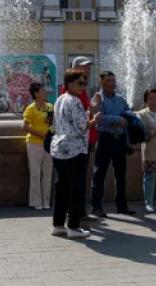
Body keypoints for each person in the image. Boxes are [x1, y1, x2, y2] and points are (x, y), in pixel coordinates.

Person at [51, 69, 99, 239]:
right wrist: (94, 119)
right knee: (76, 189)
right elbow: (82, 126)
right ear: (70, 83)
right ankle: (73, 227)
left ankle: (58, 225)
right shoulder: (75, 101)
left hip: (59, 149)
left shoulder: (59, 99)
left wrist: (89, 111)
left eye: (84, 83)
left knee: (62, 188)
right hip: (75, 150)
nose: (82, 87)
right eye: (80, 83)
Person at [90, 70, 135, 217]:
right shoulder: (97, 98)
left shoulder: (120, 99)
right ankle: (96, 207)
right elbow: (99, 117)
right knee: (99, 173)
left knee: (121, 174)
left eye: (113, 81)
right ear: (101, 83)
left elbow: (128, 114)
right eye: (108, 81)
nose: (112, 84)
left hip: (120, 139)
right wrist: (118, 120)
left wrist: (130, 118)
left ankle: (122, 205)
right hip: (105, 138)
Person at [64, 56, 97, 220]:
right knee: (76, 177)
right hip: (77, 140)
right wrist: (93, 115)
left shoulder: (82, 88)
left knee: (81, 176)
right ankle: (74, 211)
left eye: (89, 67)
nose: (88, 69)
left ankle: (78, 210)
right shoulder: (71, 90)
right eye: (84, 66)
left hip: (86, 138)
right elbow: (76, 118)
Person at [22, 82, 53, 210]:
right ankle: (36, 202)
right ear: (36, 94)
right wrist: (40, 134)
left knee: (48, 173)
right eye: (43, 90)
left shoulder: (50, 107)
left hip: (48, 144)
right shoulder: (31, 108)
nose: (45, 92)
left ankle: (46, 201)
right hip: (34, 144)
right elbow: (24, 126)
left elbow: (52, 123)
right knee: (35, 173)